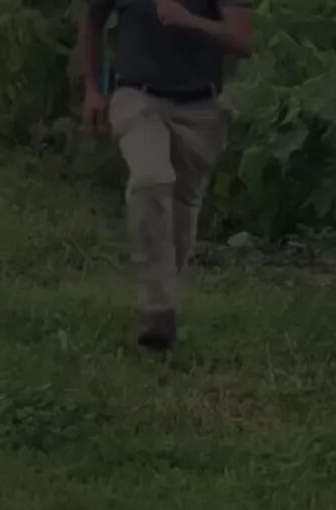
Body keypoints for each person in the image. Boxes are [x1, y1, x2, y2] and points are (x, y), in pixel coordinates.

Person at [80, 0, 254, 350]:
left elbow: (243, 41)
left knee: (182, 209)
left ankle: (162, 296)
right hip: (137, 97)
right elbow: (91, 26)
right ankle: (158, 312)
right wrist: (92, 90)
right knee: (151, 181)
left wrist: (190, 21)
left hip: (201, 109)